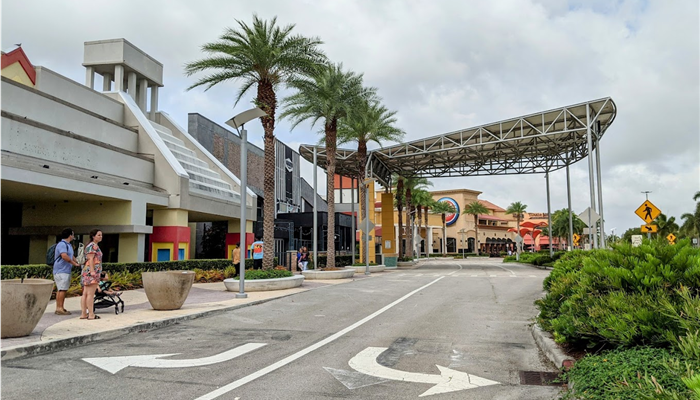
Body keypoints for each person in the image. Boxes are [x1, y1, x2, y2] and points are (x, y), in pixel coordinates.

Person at [53, 228, 79, 315]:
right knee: (61, 289)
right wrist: (73, 263)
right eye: (73, 234)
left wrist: (77, 262)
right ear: (70, 235)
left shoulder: (68, 245)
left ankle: (61, 307)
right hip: (61, 270)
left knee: (62, 289)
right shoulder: (62, 244)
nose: (73, 236)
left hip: (65, 270)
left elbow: (71, 256)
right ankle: (59, 308)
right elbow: (64, 256)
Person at [80, 229, 103, 320]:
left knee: (85, 293)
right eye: (98, 235)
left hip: (87, 271)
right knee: (90, 294)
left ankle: (83, 313)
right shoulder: (93, 246)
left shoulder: (90, 246)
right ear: (93, 236)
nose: (100, 237)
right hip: (92, 272)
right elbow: (90, 259)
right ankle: (91, 314)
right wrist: (93, 271)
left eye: (101, 235)